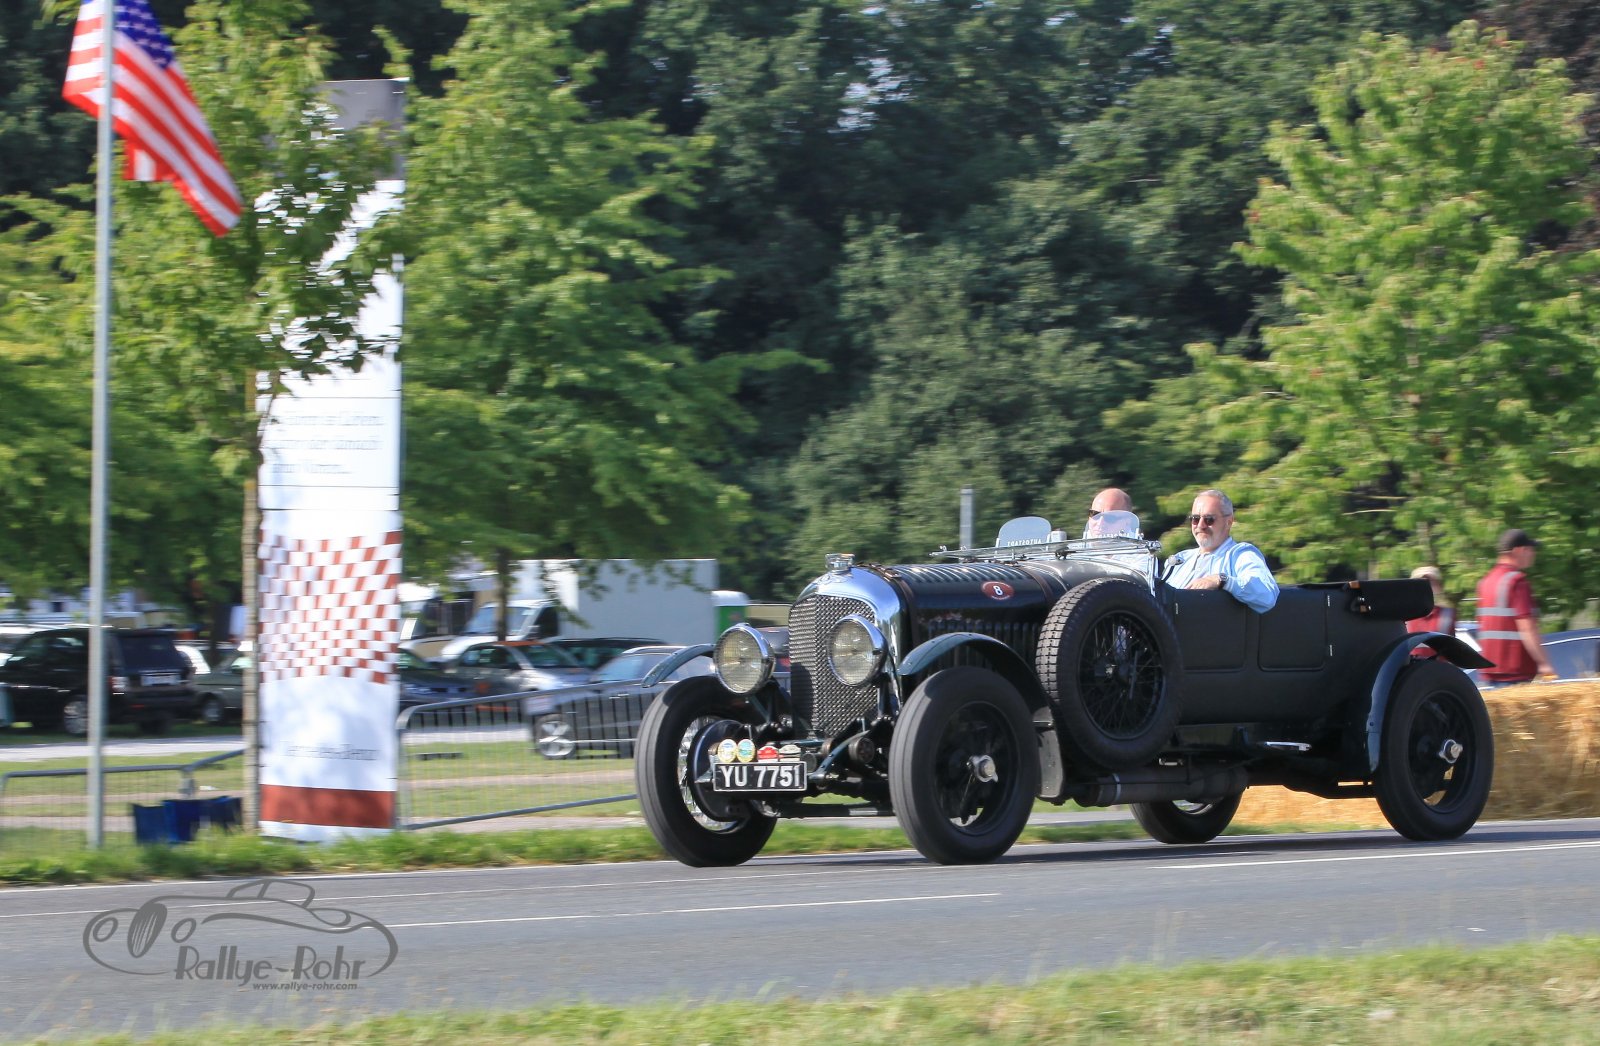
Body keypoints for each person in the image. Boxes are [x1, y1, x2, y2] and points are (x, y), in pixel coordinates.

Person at [1162, 489, 1279, 613]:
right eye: (1195, 519)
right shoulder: (1180, 560)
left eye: (1209, 519)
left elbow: (1267, 596)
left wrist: (1222, 581)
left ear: (1228, 522)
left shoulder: (1241, 555)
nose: (1200, 525)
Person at [1475, 529, 1555, 685]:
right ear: (1518, 550)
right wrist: (1544, 664)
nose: (1533, 554)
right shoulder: (1517, 582)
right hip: (1515, 671)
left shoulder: (1486, 581)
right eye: (1530, 549)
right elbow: (1527, 628)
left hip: (1489, 671)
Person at [1405, 565, 1455, 658]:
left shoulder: (1448, 614)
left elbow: (1453, 651)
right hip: (1410, 667)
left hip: (1438, 667)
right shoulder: (1404, 615)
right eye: (1420, 582)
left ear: (1438, 587)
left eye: (1431, 582)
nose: (1426, 587)